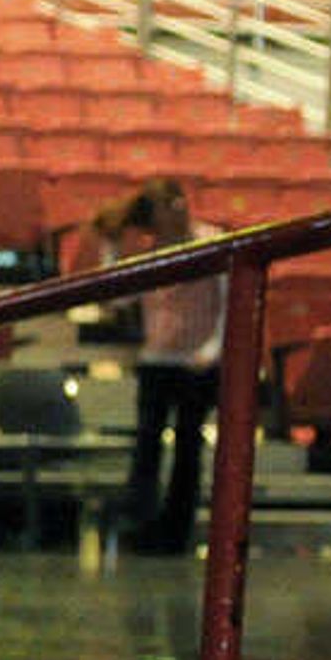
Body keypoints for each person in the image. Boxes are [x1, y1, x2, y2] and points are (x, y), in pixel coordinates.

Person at [96, 178, 224, 555]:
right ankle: (142, 523)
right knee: (147, 444)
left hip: (197, 361)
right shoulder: (151, 253)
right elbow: (118, 299)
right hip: (158, 358)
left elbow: (229, 301)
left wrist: (214, 349)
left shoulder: (212, 242)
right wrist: (111, 246)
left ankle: (176, 530)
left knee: (188, 446)